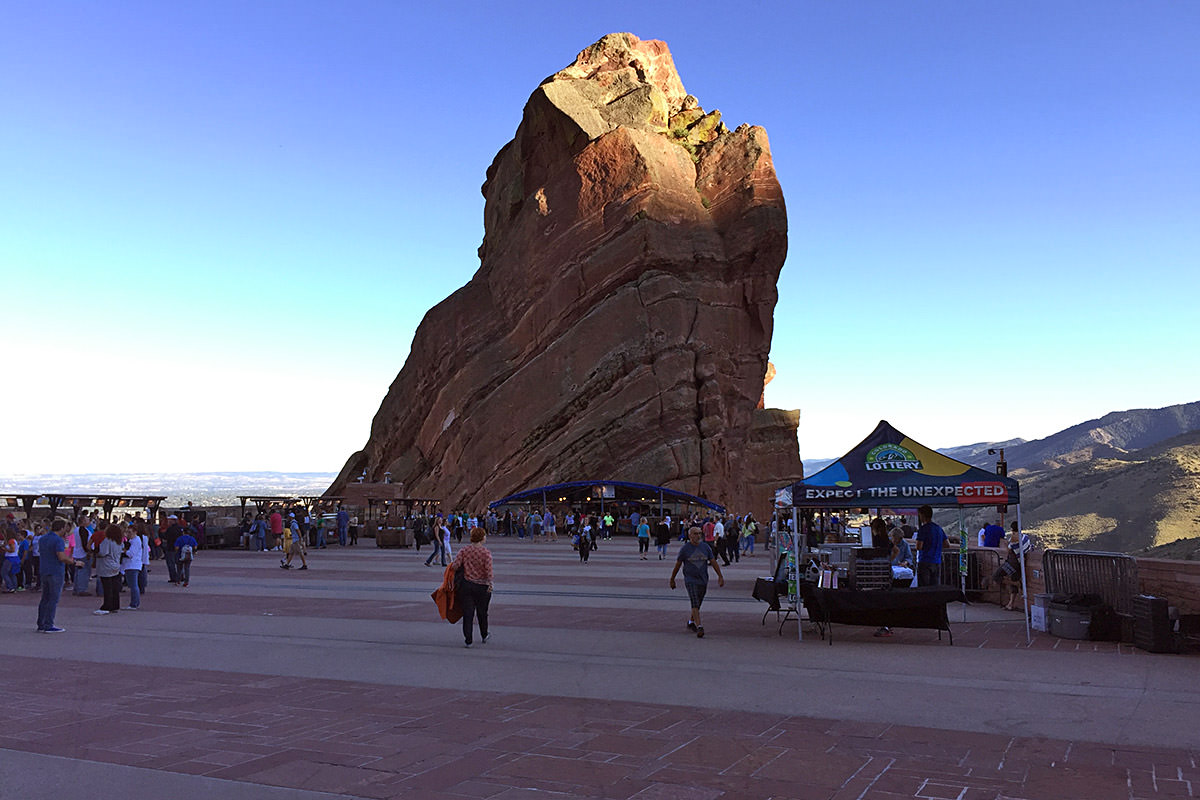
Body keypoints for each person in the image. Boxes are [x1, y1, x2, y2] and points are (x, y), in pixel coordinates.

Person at [669, 526, 725, 638]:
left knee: (698, 602)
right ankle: (699, 626)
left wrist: (720, 576)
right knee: (694, 600)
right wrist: (672, 579)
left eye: (699, 533)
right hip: (690, 579)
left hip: (703, 579)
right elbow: (678, 564)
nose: (698, 536)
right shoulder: (685, 549)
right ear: (690, 536)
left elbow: (713, 562)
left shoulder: (705, 547)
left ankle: (691, 621)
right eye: (695, 534)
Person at [451, 527, 493, 647]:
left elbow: (455, 565)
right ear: (482, 538)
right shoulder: (486, 553)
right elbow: (488, 570)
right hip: (482, 587)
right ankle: (484, 634)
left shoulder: (464, 550)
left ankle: (468, 640)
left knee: (468, 613)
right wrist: (490, 583)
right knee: (482, 612)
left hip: (466, 585)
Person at [36, 519, 74, 632]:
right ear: (61, 528)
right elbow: (61, 557)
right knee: (53, 599)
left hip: (44, 569)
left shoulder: (42, 539)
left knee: (45, 598)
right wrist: (73, 562)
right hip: (56, 571)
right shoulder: (58, 540)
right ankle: (49, 624)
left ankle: (41, 623)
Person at [995, 522, 1032, 610]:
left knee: (996, 576)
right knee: (1013, 580)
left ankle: (1017, 584)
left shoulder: (1014, 538)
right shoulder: (1025, 537)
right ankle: (1010, 604)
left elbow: (1009, 549)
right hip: (1020, 564)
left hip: (1012, 563)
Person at [913, 505, 948, 587]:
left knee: (924, 588)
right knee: (935, 588)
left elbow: (918, 547)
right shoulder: (939, 528)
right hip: (937, 561)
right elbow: (947, 544)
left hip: (925, 561)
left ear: (923, 515)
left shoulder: (923, 529)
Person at [95, 524, 126, 615]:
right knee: (114, 587)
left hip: (106, 565)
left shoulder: (107, 541)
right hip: (115, 564)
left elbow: (103, 553)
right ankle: (115, 604)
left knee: (107, 587)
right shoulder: (119, 542)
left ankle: (107, 605)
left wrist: (97, 553)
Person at [123, 523, 145, 610]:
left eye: (130, 532)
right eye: (127, 532)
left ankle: (134, 603)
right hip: (131, 565)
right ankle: (134, 602)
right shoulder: (132, 541)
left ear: (135, 532)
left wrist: (125, 551)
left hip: (133, 565)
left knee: (133, 585)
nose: (128, 534)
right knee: (133, 585)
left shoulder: (136, 541)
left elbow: (131, 554)